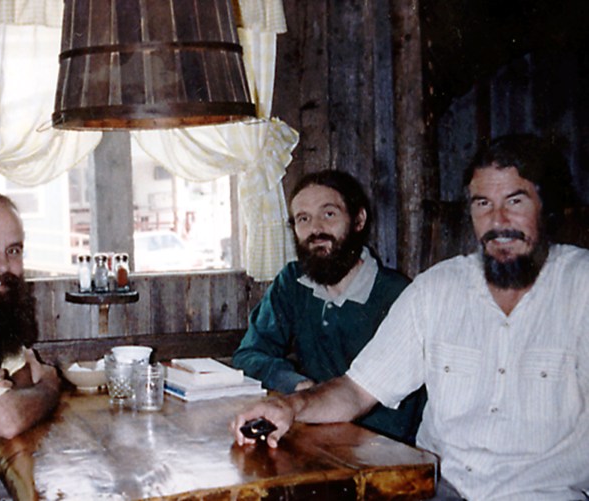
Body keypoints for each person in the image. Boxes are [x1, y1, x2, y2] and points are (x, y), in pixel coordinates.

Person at [231, 135, 589, 500]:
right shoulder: (436, 289)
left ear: (546, 207)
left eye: (515, 201)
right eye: (483, 204)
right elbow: (356, 390)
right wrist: (288, 405)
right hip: (435, 489)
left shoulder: (581, 288)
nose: (498, 221)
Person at [232, 170, 425, 444]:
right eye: (303, 219)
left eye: (329, 214)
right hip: (310, 434)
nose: (315, 229)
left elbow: (402, 412)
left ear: (358, 220)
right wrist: (295, 384)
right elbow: (249, 354)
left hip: (383, 449)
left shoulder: (399, 295)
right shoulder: (293, 283)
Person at [0, 190, 61, 440]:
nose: (1, 266)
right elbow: (8, 421)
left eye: (13, 251)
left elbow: (23, 375)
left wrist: (13, 393)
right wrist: (50, 387)